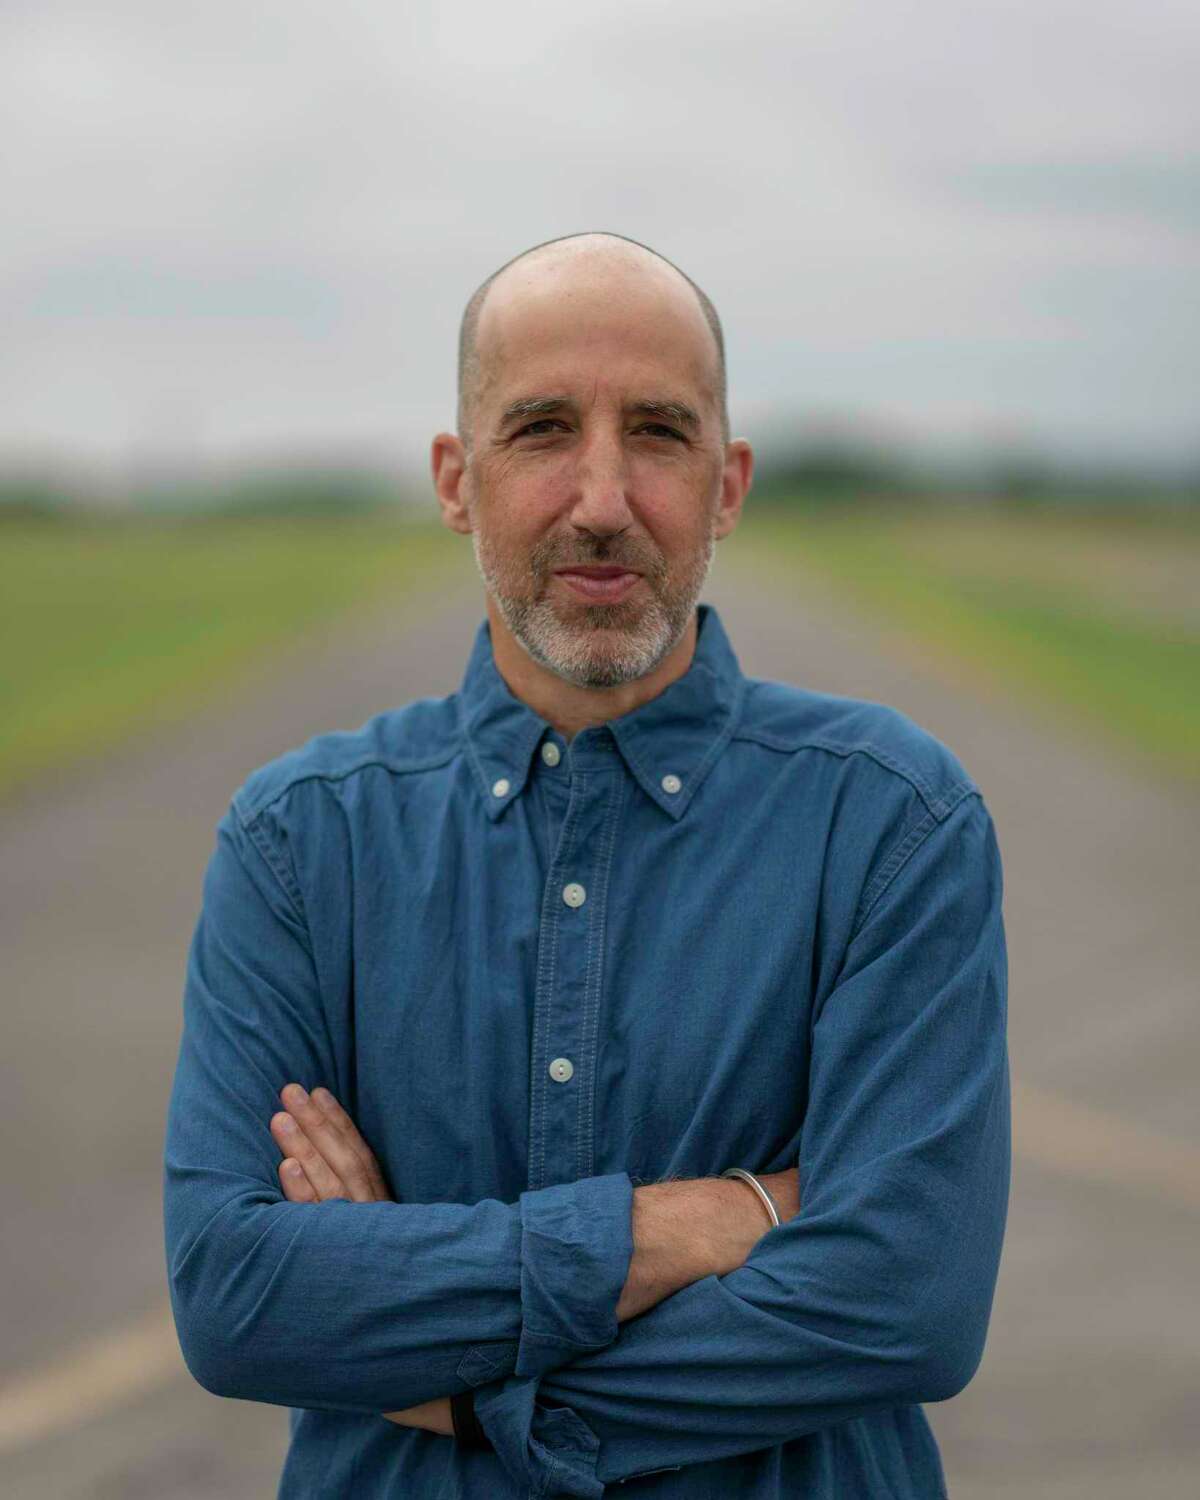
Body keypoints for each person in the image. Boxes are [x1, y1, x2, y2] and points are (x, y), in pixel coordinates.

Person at [163, 231, 1010, 1498]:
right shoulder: (299, 840)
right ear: (458, 479)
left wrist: (439, 1370)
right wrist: (690, 1225)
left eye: (661, 433)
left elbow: (905, 1305)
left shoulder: (894, 821)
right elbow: (237, 1300)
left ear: (727, 487)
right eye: (543, 428)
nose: (603, 499)